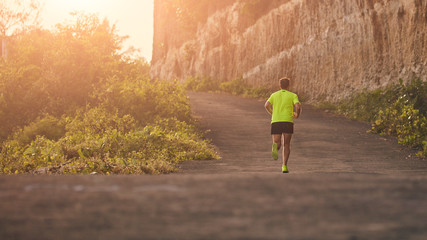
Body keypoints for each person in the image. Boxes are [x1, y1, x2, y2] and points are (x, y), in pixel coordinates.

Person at [264, 77, 301, 173]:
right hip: (287, 121)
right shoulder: (293, 95)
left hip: (276, 121)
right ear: (288, 85)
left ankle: (275, 148)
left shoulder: (274, 95)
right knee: (287, 144)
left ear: (280, 85)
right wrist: (297, 114)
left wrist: (272, 112)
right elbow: (298, 106)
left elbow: (266, 105)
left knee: (277, 143)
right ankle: (284, 166)